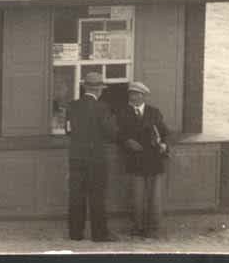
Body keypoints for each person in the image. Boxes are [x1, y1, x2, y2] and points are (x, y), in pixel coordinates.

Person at [65, 71, 119, 243]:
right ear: (99, 90)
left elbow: (68, 130)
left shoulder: (72, 106)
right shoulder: (103, 107)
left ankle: (75, 234)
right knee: (97, 196)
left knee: (76, 196)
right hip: (96, 158)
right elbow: (111, 133)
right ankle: (99, 234)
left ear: (85, 87)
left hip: (75, 157)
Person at [117, 81, 171, 238]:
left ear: (143, 96)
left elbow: (165, 132)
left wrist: (164, 145)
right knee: (137, 197)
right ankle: (137, 228)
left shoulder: (154, 112)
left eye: (135, 94)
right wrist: (127, 141)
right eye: (131, 94)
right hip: (135, 160)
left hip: (155, 160)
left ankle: (154, 229)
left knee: (155, 198)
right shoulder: (122, 112)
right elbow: (118, 133)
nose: (132, 97)